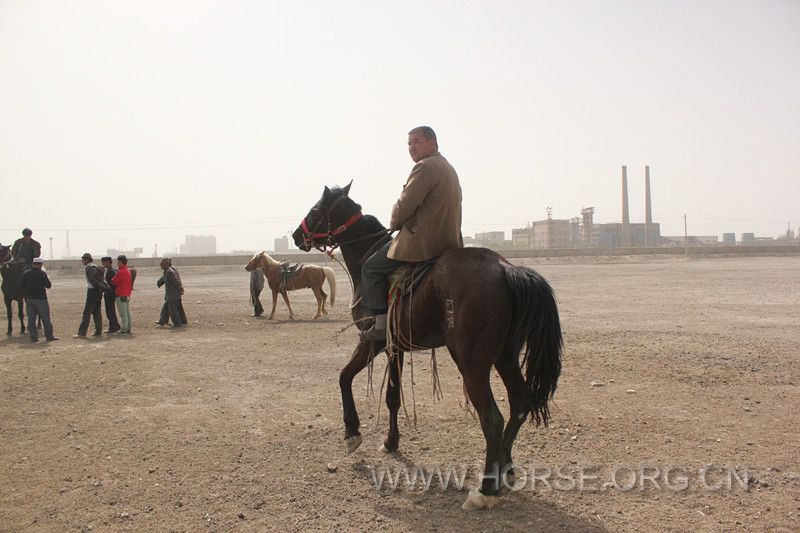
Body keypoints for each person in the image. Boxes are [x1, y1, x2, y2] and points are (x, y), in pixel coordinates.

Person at [360, 126, 463, 341]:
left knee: (370, 267)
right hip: (449, 242)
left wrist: (394, 223)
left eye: (416, 142)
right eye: (409, 143)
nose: (411, 147)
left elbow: (405, 204)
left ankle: (379, 326)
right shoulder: (448, 167)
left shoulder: (424, 167)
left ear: (432, 143)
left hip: (422, 243)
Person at [20, 257, 58, 342]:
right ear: (41, 264)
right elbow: (48, 285)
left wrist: (26, 297)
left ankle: (33, 338)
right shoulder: (42, 273)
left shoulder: (25, 274)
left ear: (33, 264)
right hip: (41, 299)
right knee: (46, 319)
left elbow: (22, 287)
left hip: (29, 299)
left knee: (31, 319)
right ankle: (49, 336)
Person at [74, 252, 108, 338]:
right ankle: (98, 331)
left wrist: (95, 287)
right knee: (96, 311)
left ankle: (82, 333)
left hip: (92, 291)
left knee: (87, 313)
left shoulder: (89, 268)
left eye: (83, 259)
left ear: (86, 260)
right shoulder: (96, 266)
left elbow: (92, 280)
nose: (82, 261)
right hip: (98, 291)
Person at [156, 258, 187, 327]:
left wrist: (180, 289)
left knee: (173, 311)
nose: (160, 266)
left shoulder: (169, 271)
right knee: (168, 308)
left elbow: (175, 282)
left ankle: (177, 324)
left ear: (166, 264)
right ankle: (163, 322)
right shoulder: (169, 270)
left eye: (162, 265)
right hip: (173, 294)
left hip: (172, 294)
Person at [111, 254, 133, 335]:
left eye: (118, 262)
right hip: (126, 294)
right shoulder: (127, 271)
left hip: (121, 295)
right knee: (127, 313)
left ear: (120, 262)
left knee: (123, 314)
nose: (117, 263)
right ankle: (128, 328)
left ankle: (124, 330)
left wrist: (116, 273)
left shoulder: (121, 272)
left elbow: (113, 281)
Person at [101, 257, 121, 334]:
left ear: (108, 263)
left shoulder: (111, 271)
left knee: (110, 311)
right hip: (111, 293)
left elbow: (113, 283)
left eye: (104, 262)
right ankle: (113, 327)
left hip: (110, 293)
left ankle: (114, 327)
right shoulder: (111, 270)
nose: (103, 264)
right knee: (110, 311)